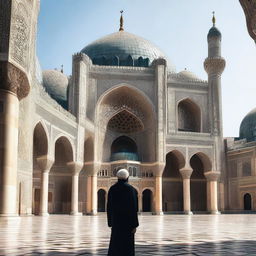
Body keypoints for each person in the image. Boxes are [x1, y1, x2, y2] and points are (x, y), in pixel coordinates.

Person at [107, 168, 139, 256]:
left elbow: (109, 207)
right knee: (127, 247)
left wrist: (110, 222)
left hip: (116, 223)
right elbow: (133, 208)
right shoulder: (131, 189)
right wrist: (134, 224)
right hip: (128, 225)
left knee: (115, 245)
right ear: (127, 177)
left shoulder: (112, 189)